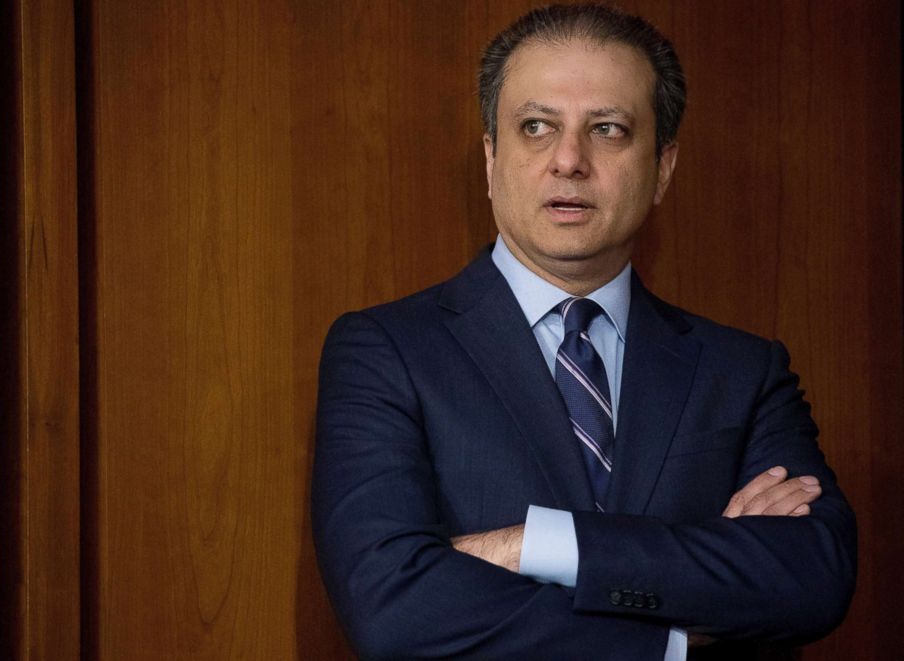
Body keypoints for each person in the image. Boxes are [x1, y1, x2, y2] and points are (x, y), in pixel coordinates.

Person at [311, 4, 856, 660]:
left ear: (663, 168)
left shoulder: (743, 371)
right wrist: (680, 625)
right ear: (490, 158)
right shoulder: (384, 351)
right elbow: (391, 611)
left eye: (608, 128)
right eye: (536, 126)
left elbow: (812, 578)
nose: (569, 159)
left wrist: (532, 546)